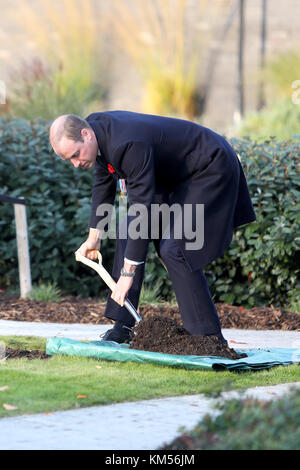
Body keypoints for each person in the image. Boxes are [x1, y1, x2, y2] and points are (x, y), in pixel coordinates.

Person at [49, 110, 256, 344]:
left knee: (174, 248)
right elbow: (103, 184)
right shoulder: (95, 131)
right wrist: (93, 237)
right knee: (128, 231)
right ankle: (123, 326)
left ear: (86, 134)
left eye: (75, 155)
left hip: (210, 166)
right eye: (70, 160)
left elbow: (142, 210)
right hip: (173, 174)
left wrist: (128, 274)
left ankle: (208, 338)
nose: (76, 164)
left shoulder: (126, 144)